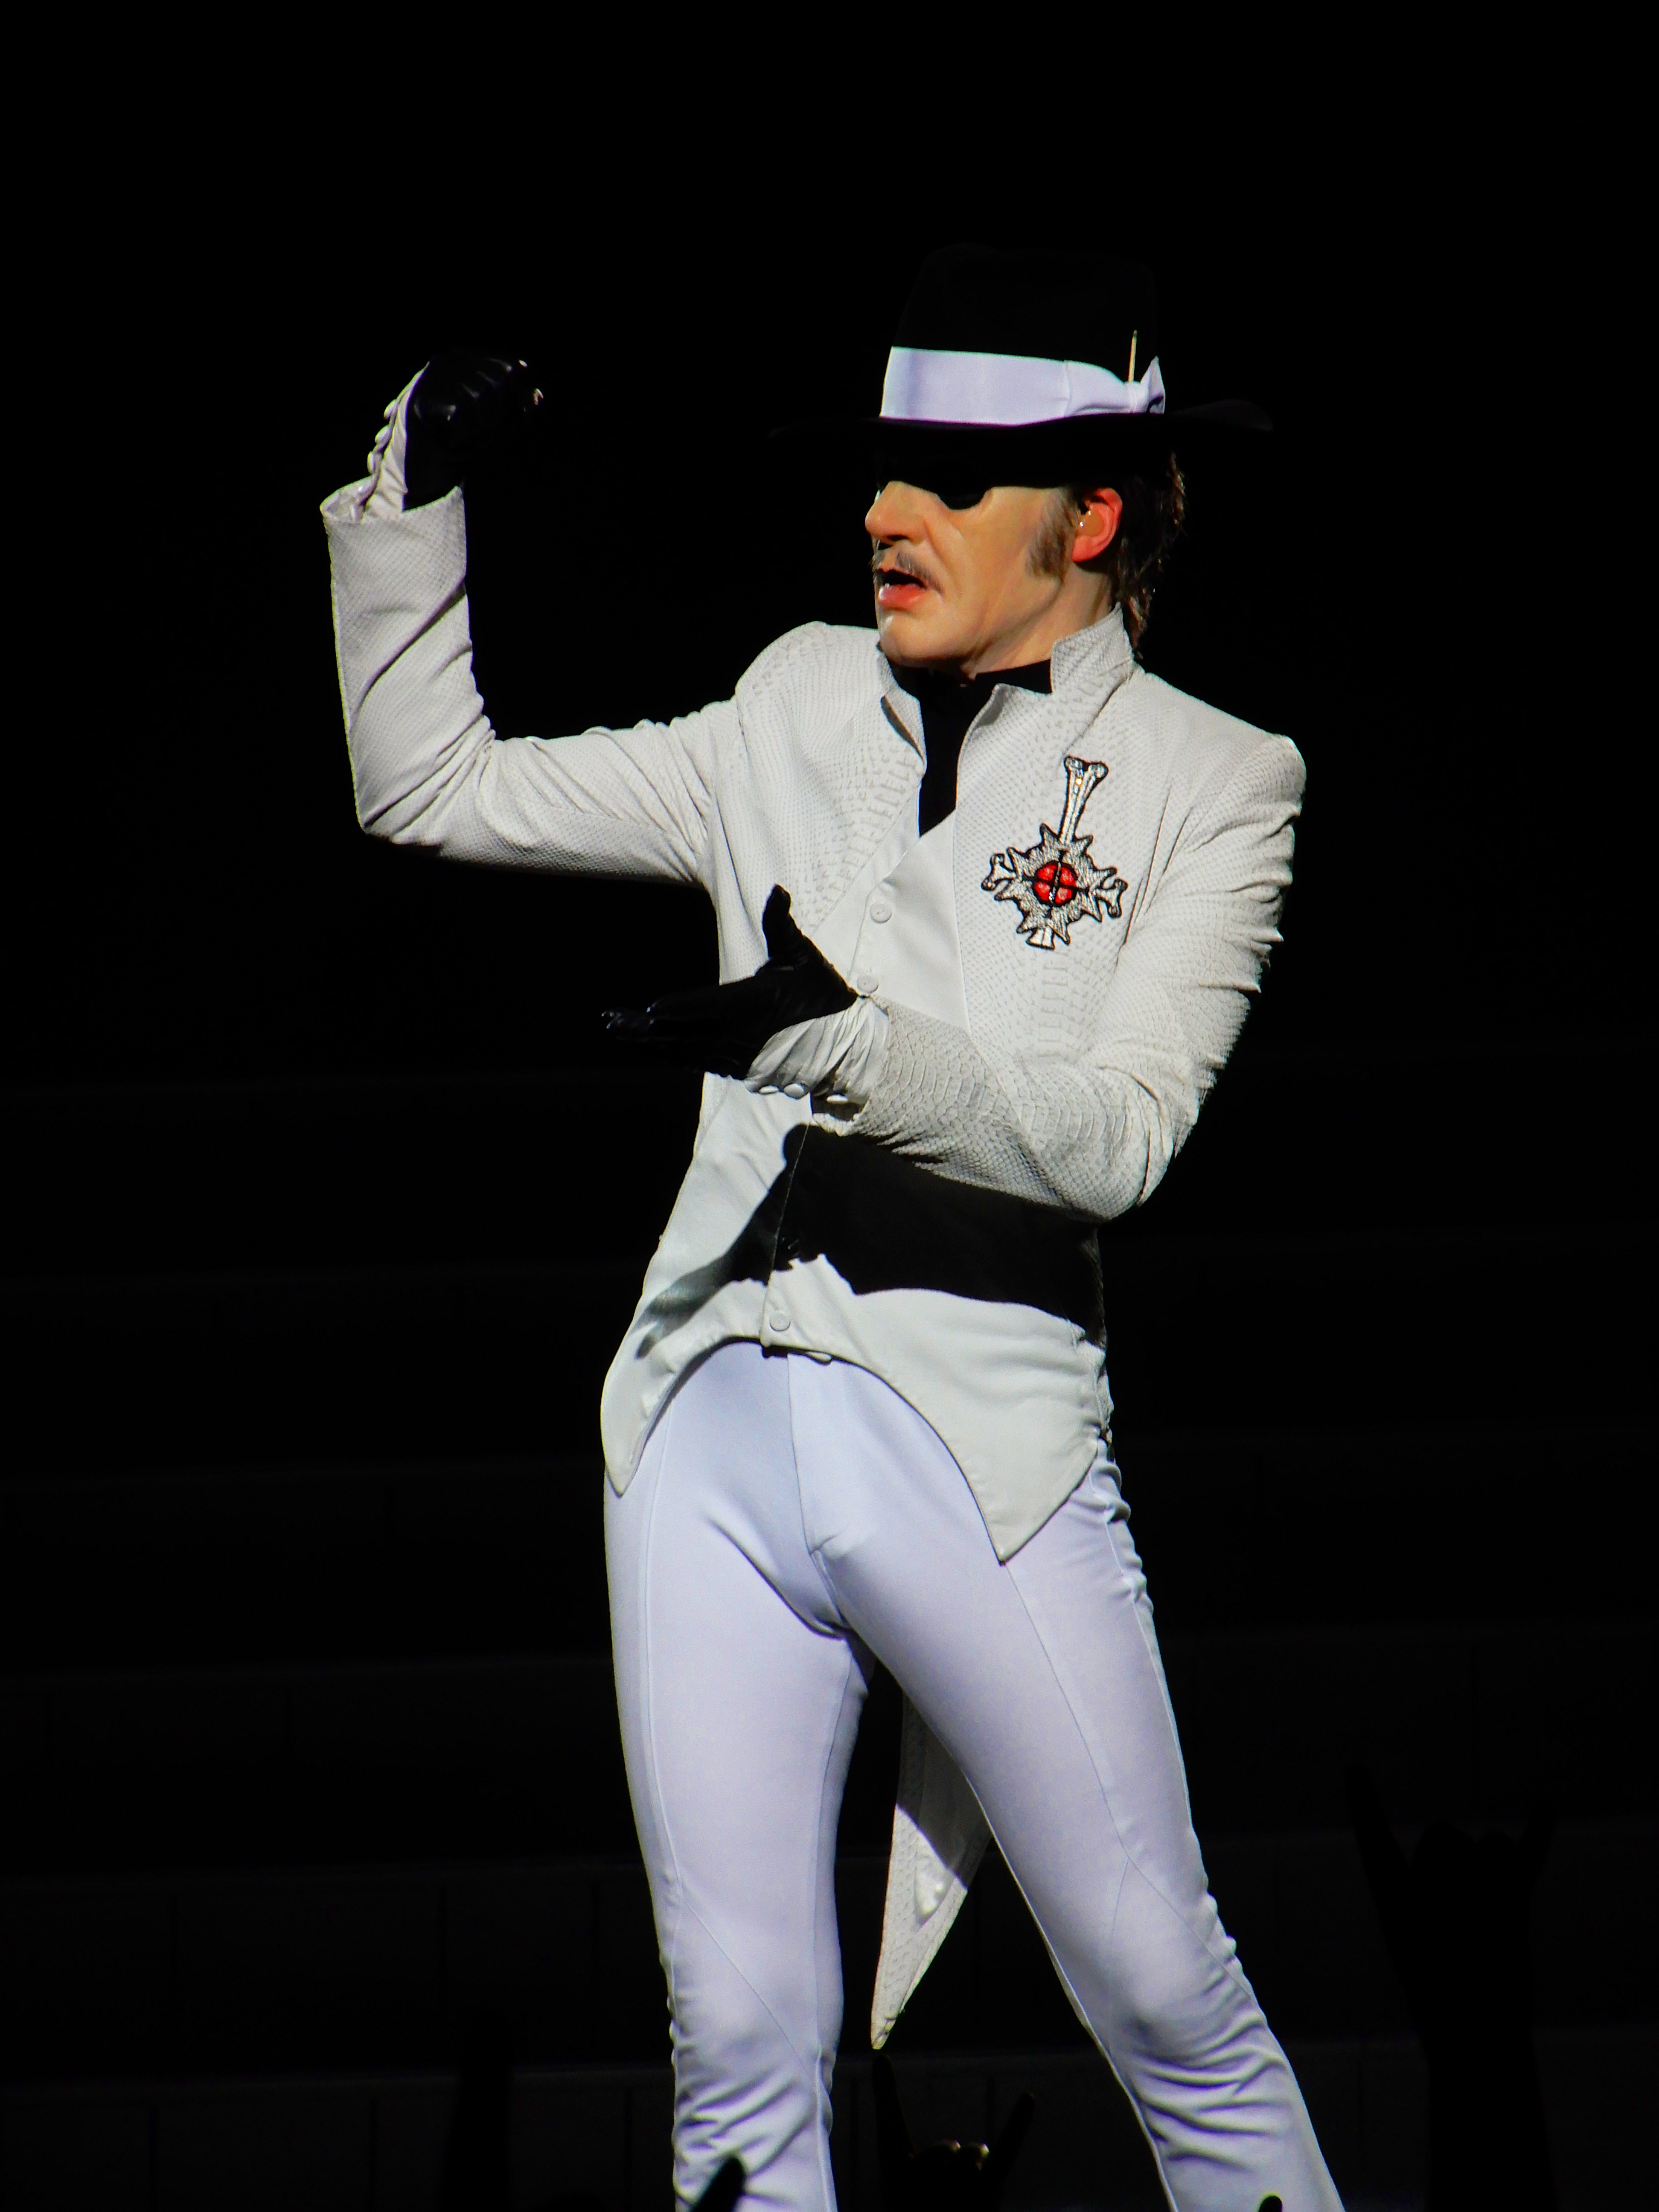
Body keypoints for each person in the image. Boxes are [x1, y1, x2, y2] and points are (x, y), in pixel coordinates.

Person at [321, 243, 1342, 2212]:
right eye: (882, 474)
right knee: (739, 2047)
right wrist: (409, 503)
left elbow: (1120, 1145)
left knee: (1160, 1992)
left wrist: (834, 1043)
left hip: (976, 1442)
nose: (885, 512)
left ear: (1093, 516)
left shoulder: (1222, 784)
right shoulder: (796, 696)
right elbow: (427, 790)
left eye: (947, 483)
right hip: (700, 1415)